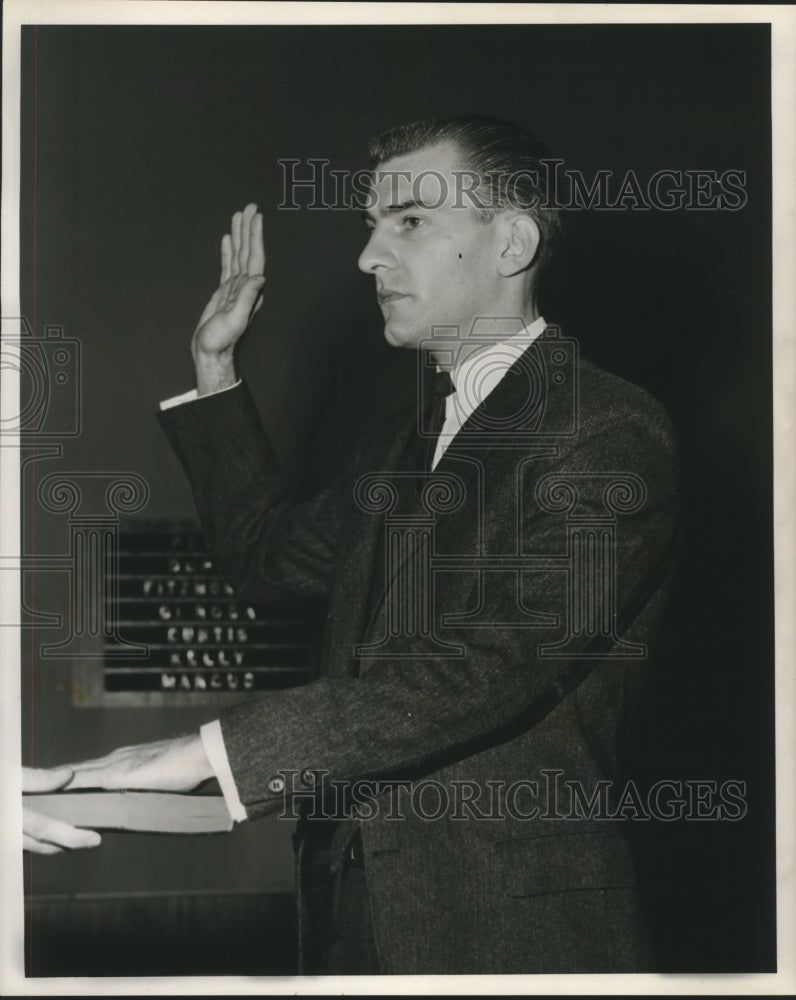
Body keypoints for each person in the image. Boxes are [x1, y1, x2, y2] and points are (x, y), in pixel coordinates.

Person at [34, 116, 680, 974]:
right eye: (371, 227)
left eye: (410, 221)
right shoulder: (402, 442)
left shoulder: (605, 429)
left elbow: (482, 665)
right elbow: (266, 559)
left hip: (513, 939)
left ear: (513, 241)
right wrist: (215, 370)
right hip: (354, 926)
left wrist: (208, 753)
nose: (370, 257)